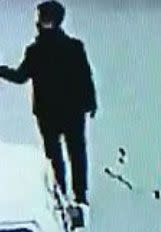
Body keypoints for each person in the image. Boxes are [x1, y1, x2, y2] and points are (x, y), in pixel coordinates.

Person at [0, 1, 97, 206]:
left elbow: (20, 76)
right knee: (69, 153)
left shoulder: (39, 50)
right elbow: (85, 76)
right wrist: (90, 101)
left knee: (64, 154)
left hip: (54, 112)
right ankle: (71, 195)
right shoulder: (68, 47)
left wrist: (90, 99)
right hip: (64, 111)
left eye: (44, 18)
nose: (42, 22)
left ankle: (69, 194)